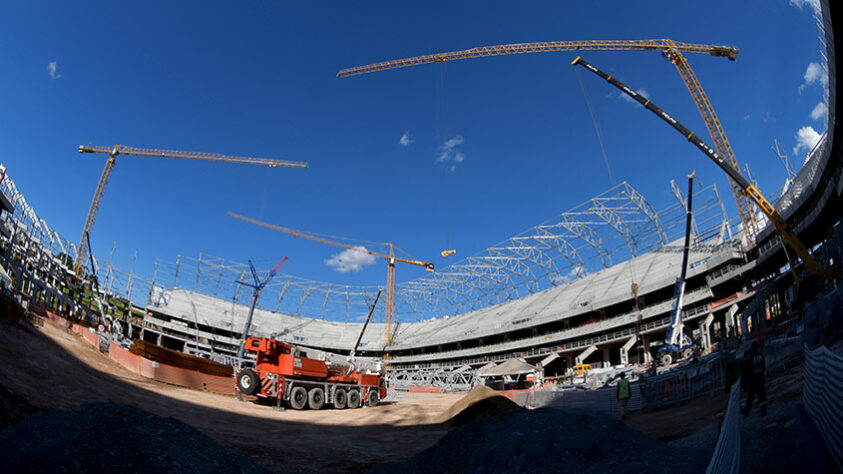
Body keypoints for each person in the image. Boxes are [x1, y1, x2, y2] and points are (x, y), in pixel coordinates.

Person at [742, 341, 767, 416]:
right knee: (762, 396)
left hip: (753, 381)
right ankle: (763, 411)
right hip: (760, 379)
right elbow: (763, 366)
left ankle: (747, 411)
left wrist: (745, 384)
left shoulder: (750, 358)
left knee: (750, 397)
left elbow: (746, 371)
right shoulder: (760, 356)